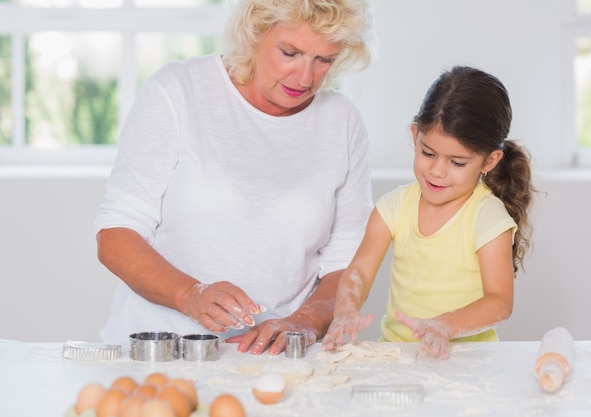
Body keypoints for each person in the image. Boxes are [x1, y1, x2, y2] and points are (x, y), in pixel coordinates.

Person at [94, 0, 376, 355]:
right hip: (159, 350)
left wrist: (304, 321)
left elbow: (346, 263)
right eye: (290, 52)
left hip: (275, 359)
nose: (305, 78)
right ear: (254, 33)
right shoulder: (179, 90)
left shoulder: (342, 121)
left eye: (324, 60)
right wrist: (189, 294)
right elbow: (116, 235)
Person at [322, 66, 536, 359]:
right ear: (415, 134)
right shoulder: (394, 207)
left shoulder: (487, 217)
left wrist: (445, 326)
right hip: (400, 356)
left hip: (470, 363)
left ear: (490, 161)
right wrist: (346, 309)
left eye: (457, 163)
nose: (437, 171)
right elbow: (359, 271)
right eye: (428, 153)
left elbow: (500, 302)